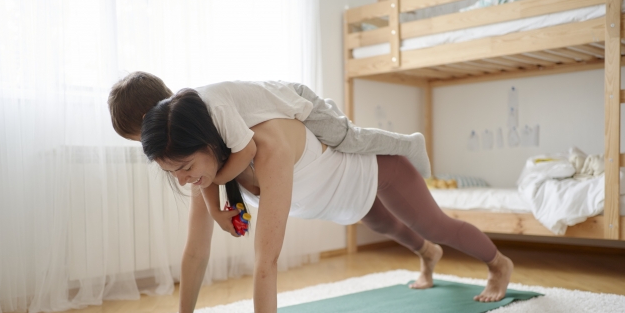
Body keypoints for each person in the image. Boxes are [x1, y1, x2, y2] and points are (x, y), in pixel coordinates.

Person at [121, 89, 514, 313]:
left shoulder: (266, 144)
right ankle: (428, 255)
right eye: (174, 173)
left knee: (434, 225)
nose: (184, 179)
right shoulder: (203, 168)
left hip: (373, 169)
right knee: (385, 224)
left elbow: (266, 261)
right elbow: (195, 252)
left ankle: (498, 264)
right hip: (337, 198)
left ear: (208, 143)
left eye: (186, 168)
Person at [108, 72, 431, 235]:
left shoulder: (206, 111)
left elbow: (244, 149)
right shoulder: (190, 132)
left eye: (141, 136)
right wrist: (219, 211)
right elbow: (207, 181)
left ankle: (407, 144)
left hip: (297, 102)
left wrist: (218, 179)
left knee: (348, 138)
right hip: (279, 108)